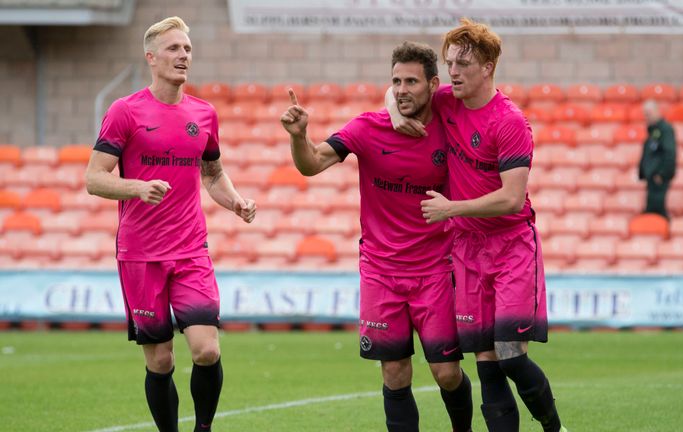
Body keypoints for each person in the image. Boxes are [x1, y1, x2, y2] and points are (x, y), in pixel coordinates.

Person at [280, 41, 473, 432]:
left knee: (446, 372)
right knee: (395, 372)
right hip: (381, 272)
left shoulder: (451, 123)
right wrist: (299, 137)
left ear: (434, 85)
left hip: (436, 270)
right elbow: (312, 165)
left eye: (412, 82)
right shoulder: (368, 126)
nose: (402, 89)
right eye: (396, 81)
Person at [386, 19, 566, 432]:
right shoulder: (448, 101)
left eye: (463, 63)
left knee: (511, 354)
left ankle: (555, 427)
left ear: (488, 66)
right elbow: (399, 91)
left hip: (510, 245)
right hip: (467, 250)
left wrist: (452, 209)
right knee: (485, 361)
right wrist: (396, 112)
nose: (453, 71)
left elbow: (511, 198)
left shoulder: (509, 122)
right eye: (449, 62)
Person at [84, 16, 256, 432]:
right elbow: (94, 178)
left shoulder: (204, 114)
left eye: (188, 49)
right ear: (151, 57)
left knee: (206, 350)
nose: (183, 56)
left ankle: (203, 428)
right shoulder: (125, 111)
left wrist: (235, 202)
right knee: (160, 360)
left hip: (190, 250)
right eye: (174, 49)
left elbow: (212, 174)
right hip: (140, 255)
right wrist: (136, 188)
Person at [639, 99, 677, 219]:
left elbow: (670, 153)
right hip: (651, 176)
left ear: (656, 111)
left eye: (649, 113)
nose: (647, 117)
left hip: (658, 177)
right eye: (645, 114)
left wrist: (662, 173)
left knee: (657, 209)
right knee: (651, 207)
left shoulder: (665, 129)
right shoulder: (653, 130)